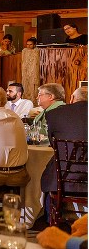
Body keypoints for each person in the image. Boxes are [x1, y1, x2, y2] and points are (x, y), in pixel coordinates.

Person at [40, 86, 88, 218]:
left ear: (72, 98)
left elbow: (53, 144)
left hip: (65, 177)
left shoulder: (55, 114)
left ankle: (52, 220)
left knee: (51, 170)